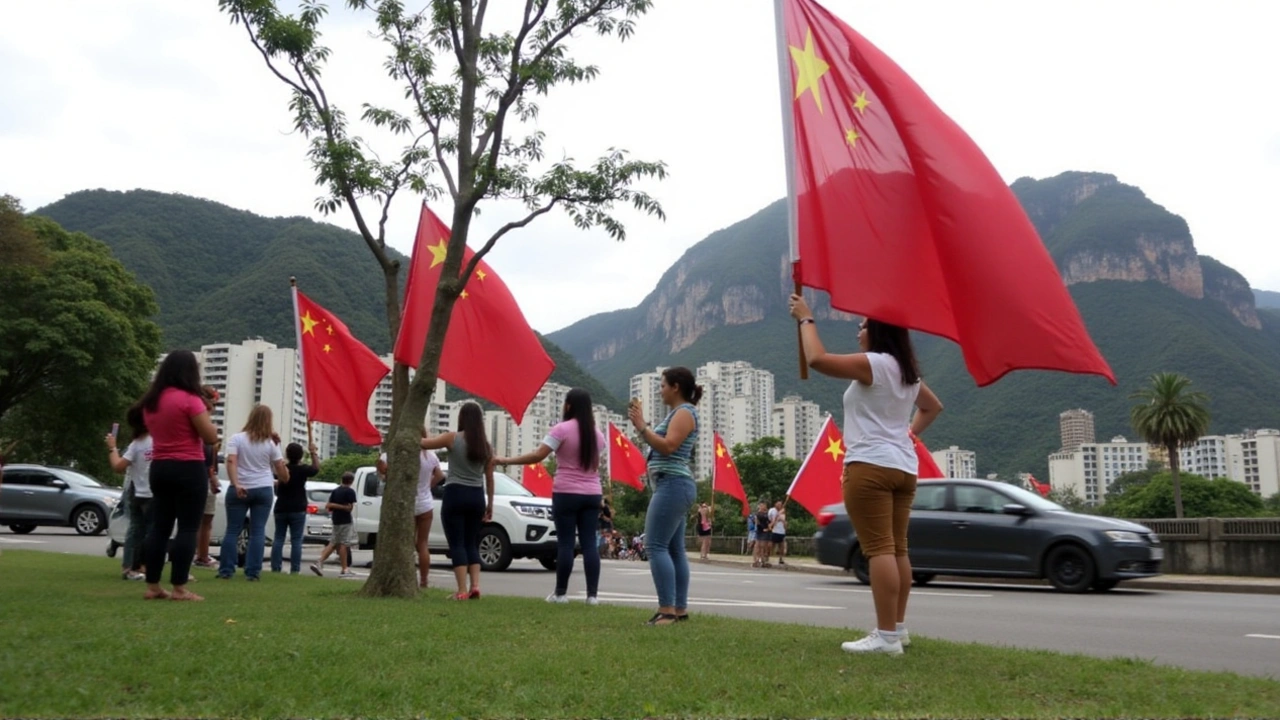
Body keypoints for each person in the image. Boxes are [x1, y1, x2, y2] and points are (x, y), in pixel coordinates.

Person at [789, 293, 943, 654]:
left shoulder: (875, 363)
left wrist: (806, 319)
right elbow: (933, 407)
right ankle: (898, 628)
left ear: (879, 332)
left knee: (878, 550)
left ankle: (886, 636)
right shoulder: (907, 372)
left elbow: (817, 359)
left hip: (870, 466)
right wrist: (907, 434)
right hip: (903, 467)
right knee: (897, 548)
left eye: (863, 325)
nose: (858, 330)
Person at [495, 388, 606, 605]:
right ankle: (592, 596)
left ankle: (561, 594)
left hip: (566, 492)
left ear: (569, 406)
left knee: (565, 544)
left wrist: (505, 460)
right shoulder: (598, 435)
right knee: (590, 544)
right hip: (592, 493)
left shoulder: (561, 429)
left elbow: (538, 455)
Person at [140, 350, 220, 601]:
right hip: (188, 467)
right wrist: (210, 423)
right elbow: (210, 437)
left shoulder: (152, 401)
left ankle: (152, 585)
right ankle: (179, 587)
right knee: (187, 527)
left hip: (160, 467)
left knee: (159, 527)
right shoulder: (190, 400)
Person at [628, 366, 701, 626]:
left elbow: (669, 446)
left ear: (675, 387)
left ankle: (667, 610)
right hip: (674, 486)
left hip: (673, 485)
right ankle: (678, 610)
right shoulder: (679, 413)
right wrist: (644, 426)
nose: (660, 390)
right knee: (673, 549)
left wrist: (642, 428)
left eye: (662, 385)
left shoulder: (683, 412)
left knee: (655, 546)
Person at [423, 402, 495, 600]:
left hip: (455, 494)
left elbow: (424, 444)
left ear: (461, 418)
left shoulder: (452, 438)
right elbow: (489, 478)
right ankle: (476, 586)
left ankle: (462, 590)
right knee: (471, 543)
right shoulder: (487, 447)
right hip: (477, 496)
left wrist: (413, 433)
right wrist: (490, 505)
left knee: (457, 543)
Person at [217, 405, 286, 581]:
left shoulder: (236, 439)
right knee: (258, 531)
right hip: (263, 488)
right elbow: (281, 471)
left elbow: (231, 461)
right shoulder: (271, 443)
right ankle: (253, 572)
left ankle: (226, 569)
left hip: (241, 487)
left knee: (232, 530)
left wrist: (236, 483)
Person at [378, 430, 445, 589]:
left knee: (404, 542)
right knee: (422, 543)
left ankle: (403, 576)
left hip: (406, 503)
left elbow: (382, 468)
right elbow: (440, 475)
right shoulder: (430, 455)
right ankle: (424, 580)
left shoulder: (398, 453)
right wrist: (428, 486)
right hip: (425, 503)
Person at [106, 403, 152, 581]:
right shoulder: (159, 440)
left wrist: (112, 447)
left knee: (135, 530)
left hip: (136, 491)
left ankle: (129, 567)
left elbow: (118, 466)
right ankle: (144, 566)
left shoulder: (137, 444)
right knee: (151, 531)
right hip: (154, 493)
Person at [272, 441, 320, 574]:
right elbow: (316, 468)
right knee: (296, 540)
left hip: (281, 506)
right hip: (298, 507)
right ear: (300, 456)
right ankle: (295, 569)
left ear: (287, 454)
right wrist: (313, 452)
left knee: (279, 538)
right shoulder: (303, 469)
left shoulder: (283, 469)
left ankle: (276, 567)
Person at [193, 386, 222, 569]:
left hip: (203, 475)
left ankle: (201, 555)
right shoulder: (201, 426)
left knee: (200, 521)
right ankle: (201, 556)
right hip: (201, 477)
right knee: (202, 521)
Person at [311, 472, 358, 578]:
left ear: (342, 479)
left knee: (334, 542)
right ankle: (344, 569)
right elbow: (349, 508)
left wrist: (334, 505)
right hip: (345, 520)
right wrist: (341, 506)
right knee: (343, 543)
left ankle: (319, 562)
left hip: (336, 519)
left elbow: (329, 506)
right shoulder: (350, 492)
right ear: (351, 481)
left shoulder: (335, 491)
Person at [752, 501, 773, 568]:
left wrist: (770, 526)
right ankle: (756, 560)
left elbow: (769, 522)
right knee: (758, 546)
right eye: (761, 505)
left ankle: (763, 560)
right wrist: (762, 528)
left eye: (764, 505)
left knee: (764, 546)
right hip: (760, 531)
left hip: (766, 532)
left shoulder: (767, 514)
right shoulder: (757, 514)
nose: (763, 507)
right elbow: (756, 522)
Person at [770, 501, 788, 566]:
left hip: (781, 532)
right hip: (775, 531)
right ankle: (767, 557)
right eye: (778, 504)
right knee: (772, 545)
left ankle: (781, 559)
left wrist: (783, 522)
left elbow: (785, 525)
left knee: (782, 547)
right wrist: (777, 518)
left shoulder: (783, 515)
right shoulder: (773, 512)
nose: (779, 506)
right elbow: (772, 523)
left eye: (780, 505)